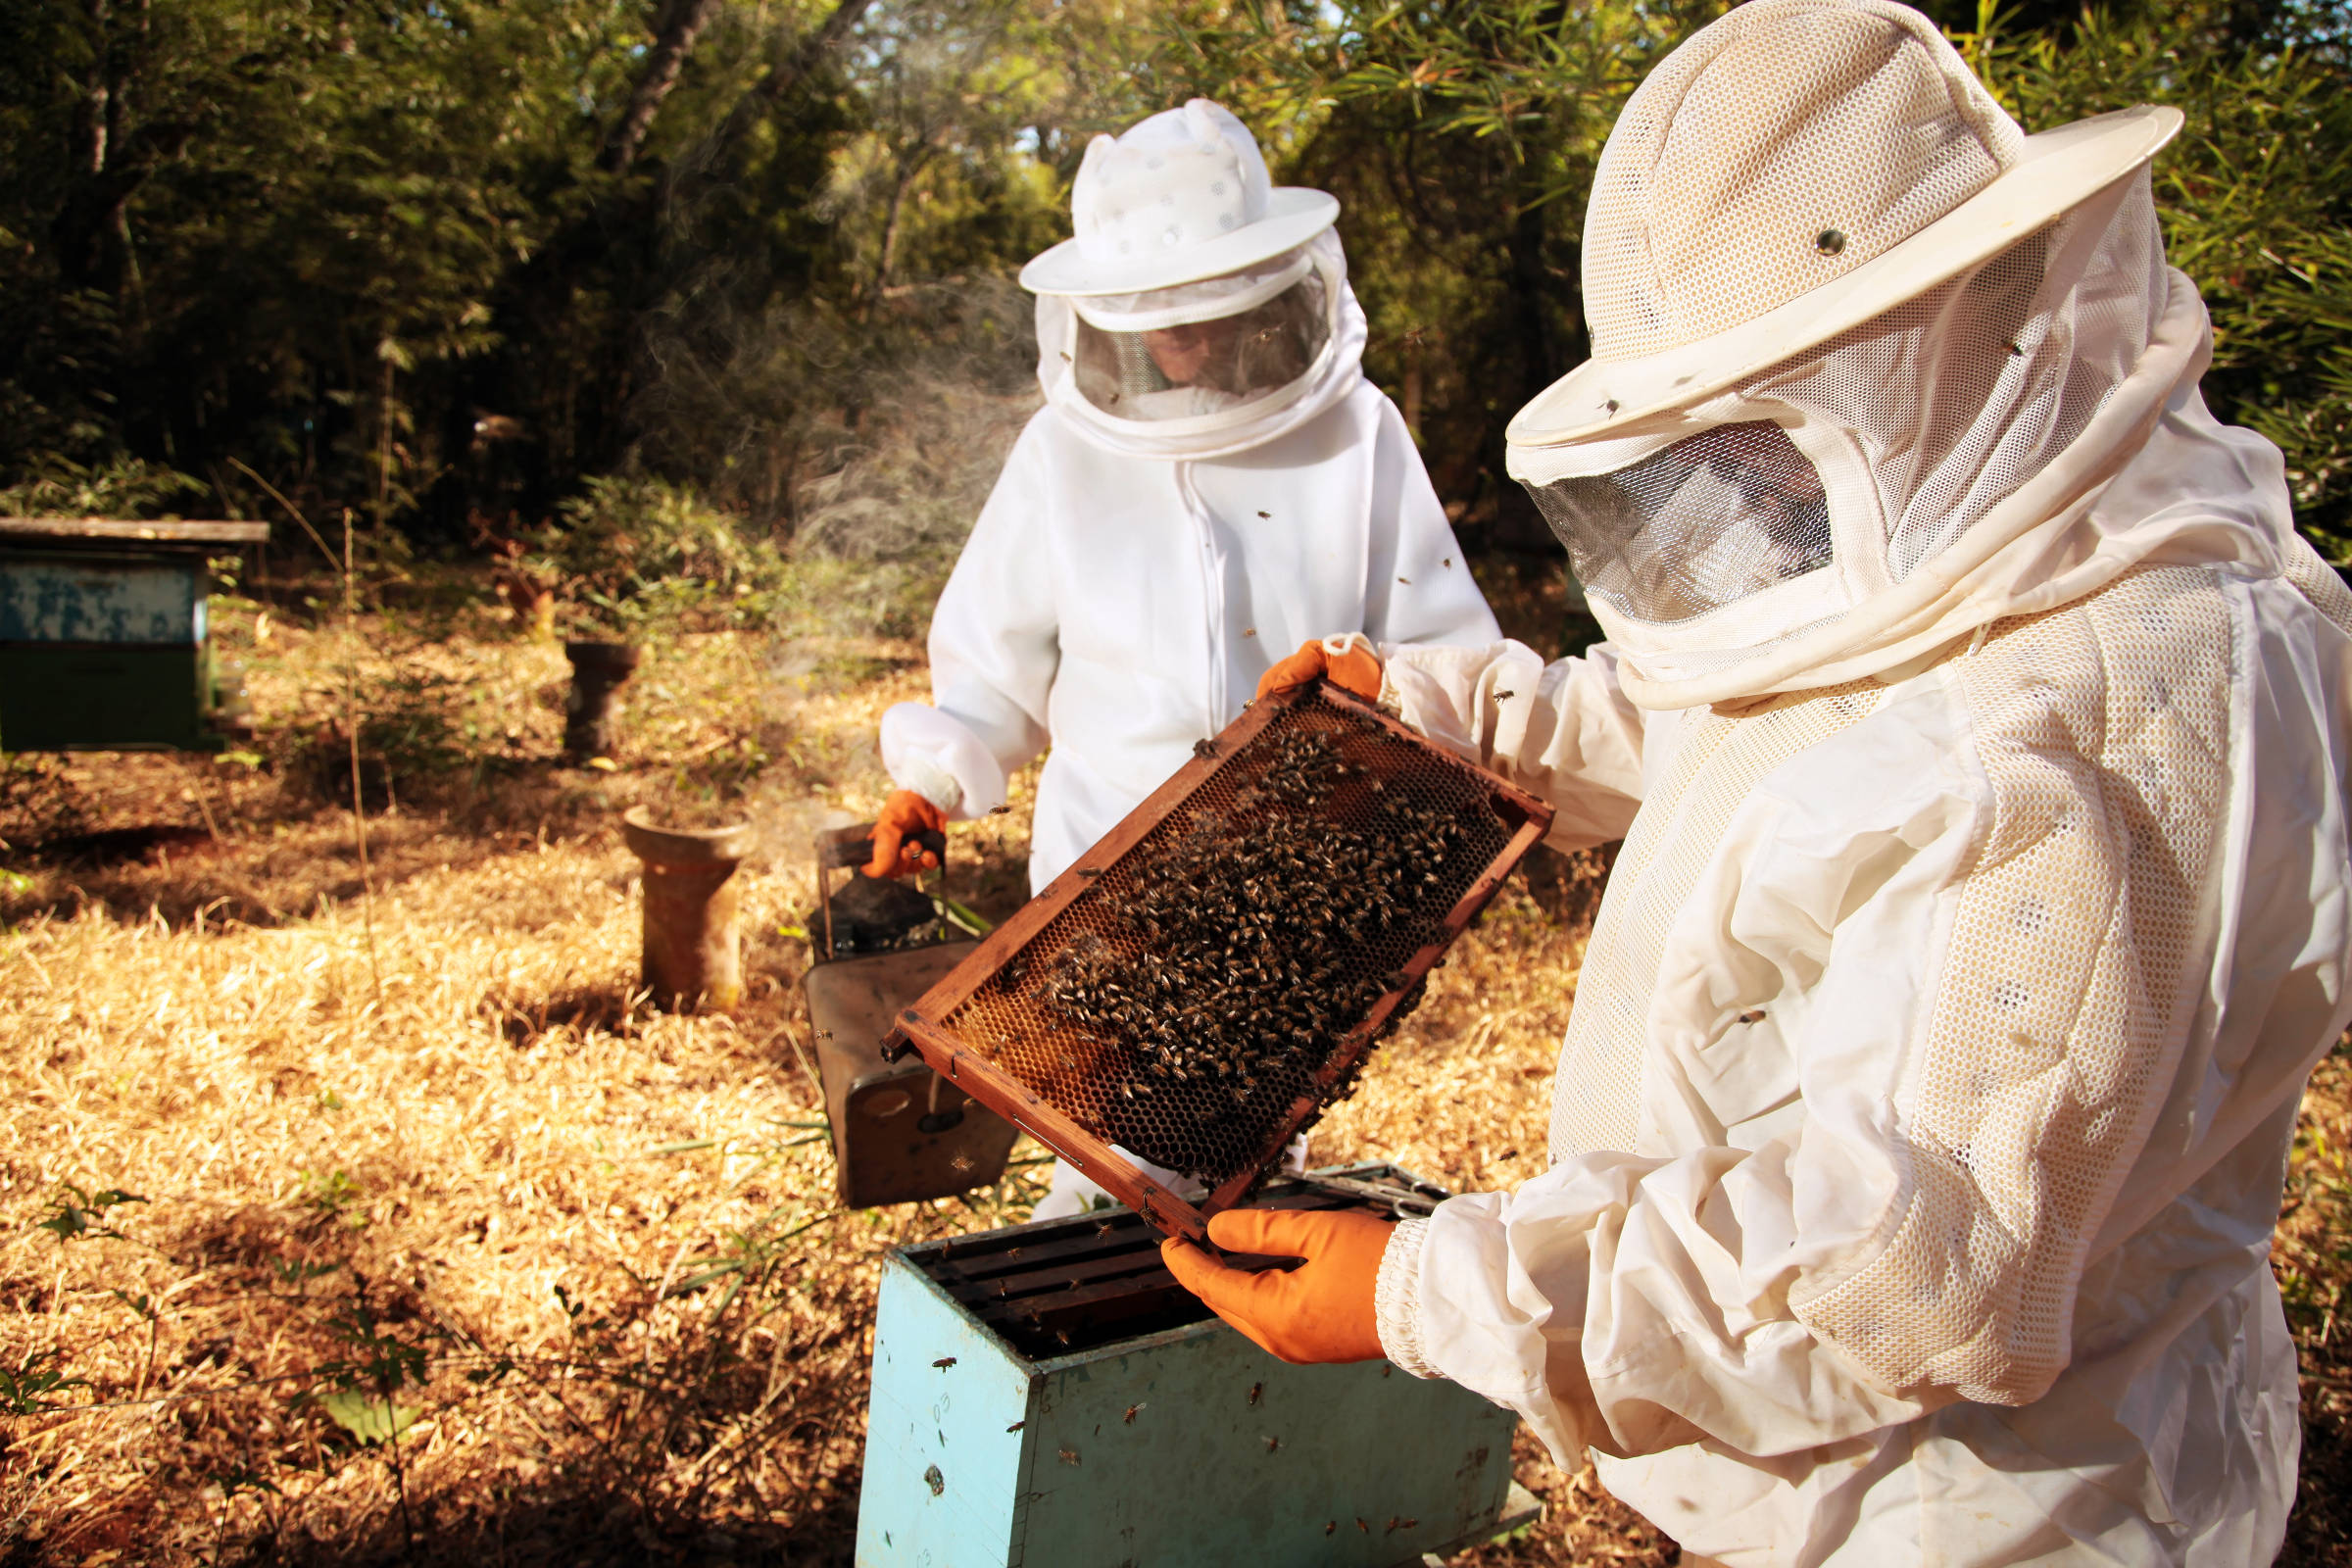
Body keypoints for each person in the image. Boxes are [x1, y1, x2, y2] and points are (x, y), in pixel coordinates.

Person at [1162, 3, 2352, 1562]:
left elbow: (1916, 1271)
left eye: (1776, 417)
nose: (1744, 487)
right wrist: (1461, 718)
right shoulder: (1995, 539)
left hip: (1992, 1515)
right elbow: (1777, 740)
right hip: (1819, 1476)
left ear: (1955, 315)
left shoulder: (2114, 708)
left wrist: (1426, 1294)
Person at [863, 99, 1499, 1218]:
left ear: (1272, 283)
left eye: (1204, 307)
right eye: (1149, 314)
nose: (1180, 338)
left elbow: (1446, 647)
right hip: (1103, 857)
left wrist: (1439, 778)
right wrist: (933, 778)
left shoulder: (1355, 435)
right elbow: (995, 652)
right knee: (1105, 1145)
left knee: (1257, 1136)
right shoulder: (1066, 453)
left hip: (1303, 857)